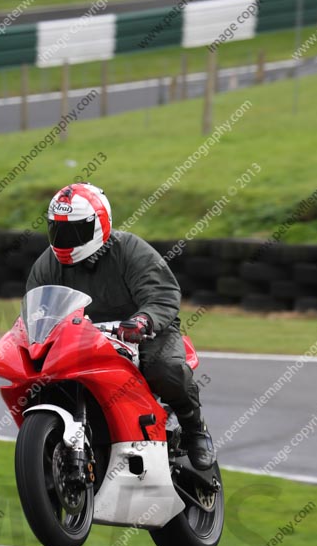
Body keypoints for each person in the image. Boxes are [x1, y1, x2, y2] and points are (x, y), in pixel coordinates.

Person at [25, 182, 215, 470]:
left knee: (165, 369)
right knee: (37, 377)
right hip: (80, 340)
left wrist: (144, 320)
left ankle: (194, 429)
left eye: (74, 231)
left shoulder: (130, 250)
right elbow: (35, 309)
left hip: (142, 334)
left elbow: (162, 294)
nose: (64, 239)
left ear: (99, 225)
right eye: (58, 230)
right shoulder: (47, 264)